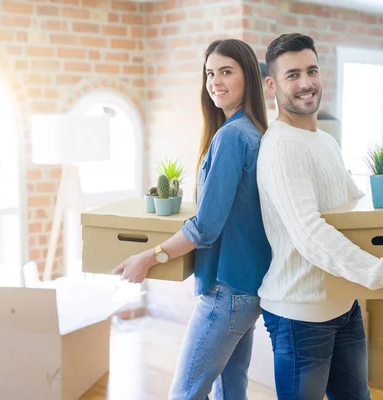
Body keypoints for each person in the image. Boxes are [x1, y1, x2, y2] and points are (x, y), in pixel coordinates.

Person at [256, 33, 383, 400]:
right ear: (271, 85)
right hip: (301, 313)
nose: (306, 83)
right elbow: (310, 234)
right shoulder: (281, 147)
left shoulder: (325, 141)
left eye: (312, 70)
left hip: (343, 303)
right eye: (292, 75)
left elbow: (352, 206)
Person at [112, 38, 272, 400]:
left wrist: (148, 257)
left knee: (185, 394)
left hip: (226, 290)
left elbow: (207, 227)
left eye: (226, 72)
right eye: (209, 73)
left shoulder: (231, 137)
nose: (215, 81)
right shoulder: (255, 132)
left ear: (247, 75)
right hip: (248, 288)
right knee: (230, 391)